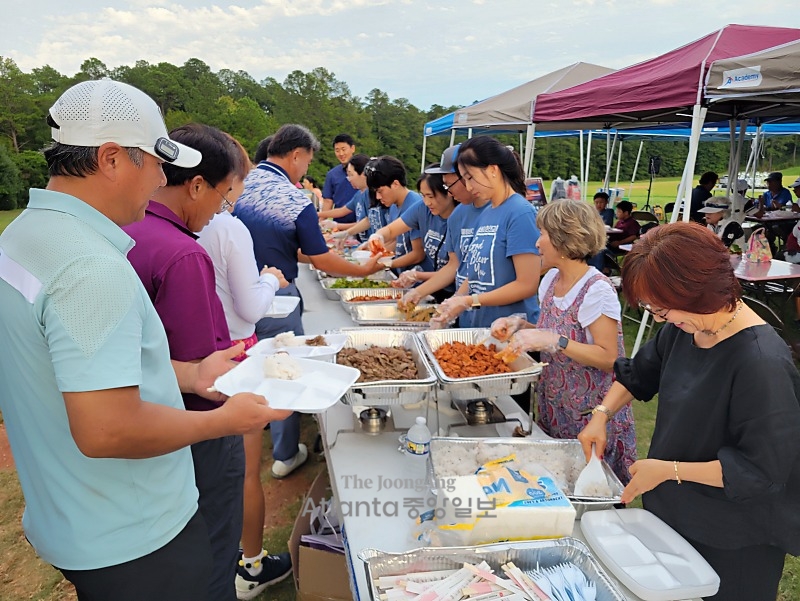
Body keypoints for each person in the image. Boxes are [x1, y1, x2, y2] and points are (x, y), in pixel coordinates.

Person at [0, 79, 289, 601]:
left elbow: (67, 370)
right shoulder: (89, 265)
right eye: (156, 161)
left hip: (72, 514)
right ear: (111, 158)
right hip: (133, 536)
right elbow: (107, 429)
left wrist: (189, 374)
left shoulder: (23, 235)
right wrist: (226, 420)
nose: (162, 178)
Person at [578, 221, 800, 601]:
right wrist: (601, 414)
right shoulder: (685, 328)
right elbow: (640, 374)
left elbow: (762, 472)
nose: (661, 318)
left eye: (663, 308)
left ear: (700, 291)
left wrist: (667, 470)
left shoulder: (761, 363)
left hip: (734, 535)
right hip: (674, 514)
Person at [123, 123, 286, 601]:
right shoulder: (182, 253)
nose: (222, 208)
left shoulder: (126, 230)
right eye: (223, 194)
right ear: (196, 185)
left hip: (150, 420)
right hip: (199, 425)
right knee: (215, 545)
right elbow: (204, 374)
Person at [234, 125, 381, 480]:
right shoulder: (293, 197)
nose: (304, 170)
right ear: (296, 155)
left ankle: (254, 423)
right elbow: (321, 259)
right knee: (285, 368)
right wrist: (362, 272)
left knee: (250, 359)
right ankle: (285, 453)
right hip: (275, 296)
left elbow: (286, 246)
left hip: (234, 293)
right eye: (306, 162)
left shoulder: (240, 185)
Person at [195, 137, 294, 600]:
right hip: (233, 350)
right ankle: (251, 564)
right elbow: (252, 305)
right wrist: (271, 279)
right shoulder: (226, 227)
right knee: (243, 469)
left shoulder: (171, 225)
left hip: (194, 355)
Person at [491, 200, 635, 483]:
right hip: (555, 410)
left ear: (564, 237)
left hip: (590, 418)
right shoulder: (551, 280)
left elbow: (609, 358)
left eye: (543, 233)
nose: (537, 242)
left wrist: (554, 340)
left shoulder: (596, 290)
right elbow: (550, 332)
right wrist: (521, 326)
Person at [431, 136, 541, 328]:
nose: (468, 187)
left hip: (510, 331)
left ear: (492, 170)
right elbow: (475, 273)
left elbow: (527, 284)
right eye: (464, 179)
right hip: (480, 328)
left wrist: (470, 301)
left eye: (470, 178)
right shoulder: (487, 212)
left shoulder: (519, 213)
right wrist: (455, 301)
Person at [399, 145, 488, 318]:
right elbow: (455, 266)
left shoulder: (501, 213)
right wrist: (419, 292)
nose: (450, 191)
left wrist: (461, 300)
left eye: (449, 185)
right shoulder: (458, 215)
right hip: (468, 316)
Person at [381, 167, 457, 302]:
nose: (427, 202)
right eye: (423, 196)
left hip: (455, 293)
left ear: (449, 192)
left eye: (431, 196)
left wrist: (418, 275)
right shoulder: (422, 208)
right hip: (433, 288)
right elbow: (391, 230)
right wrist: (377, 237)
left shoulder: (461, 217)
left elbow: (454, 271)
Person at [364, 155, 424, 272]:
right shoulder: (393, 206)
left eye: (380, 191)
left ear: (395, 184)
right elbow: (397, 241)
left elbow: (418, 254)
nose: (378, 197)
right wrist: (372, 252)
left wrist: (386, 264)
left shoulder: (415, 204)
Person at [317, 154, 372, 240]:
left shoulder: (373, 196)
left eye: (351, 175)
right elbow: (342, 210)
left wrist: (337, 226)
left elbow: (368, 222)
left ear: (363, 174)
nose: (349, 179)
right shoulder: (359, 194)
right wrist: (318, 214)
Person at [321, 133, 357, 221]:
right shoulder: (332, 174)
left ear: (352, 148)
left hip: (362, 223)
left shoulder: (363, 171)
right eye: (337, 150)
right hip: (340, 225)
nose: (341, 154)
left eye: (343, 149)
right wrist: (321, 221)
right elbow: (328, 201)